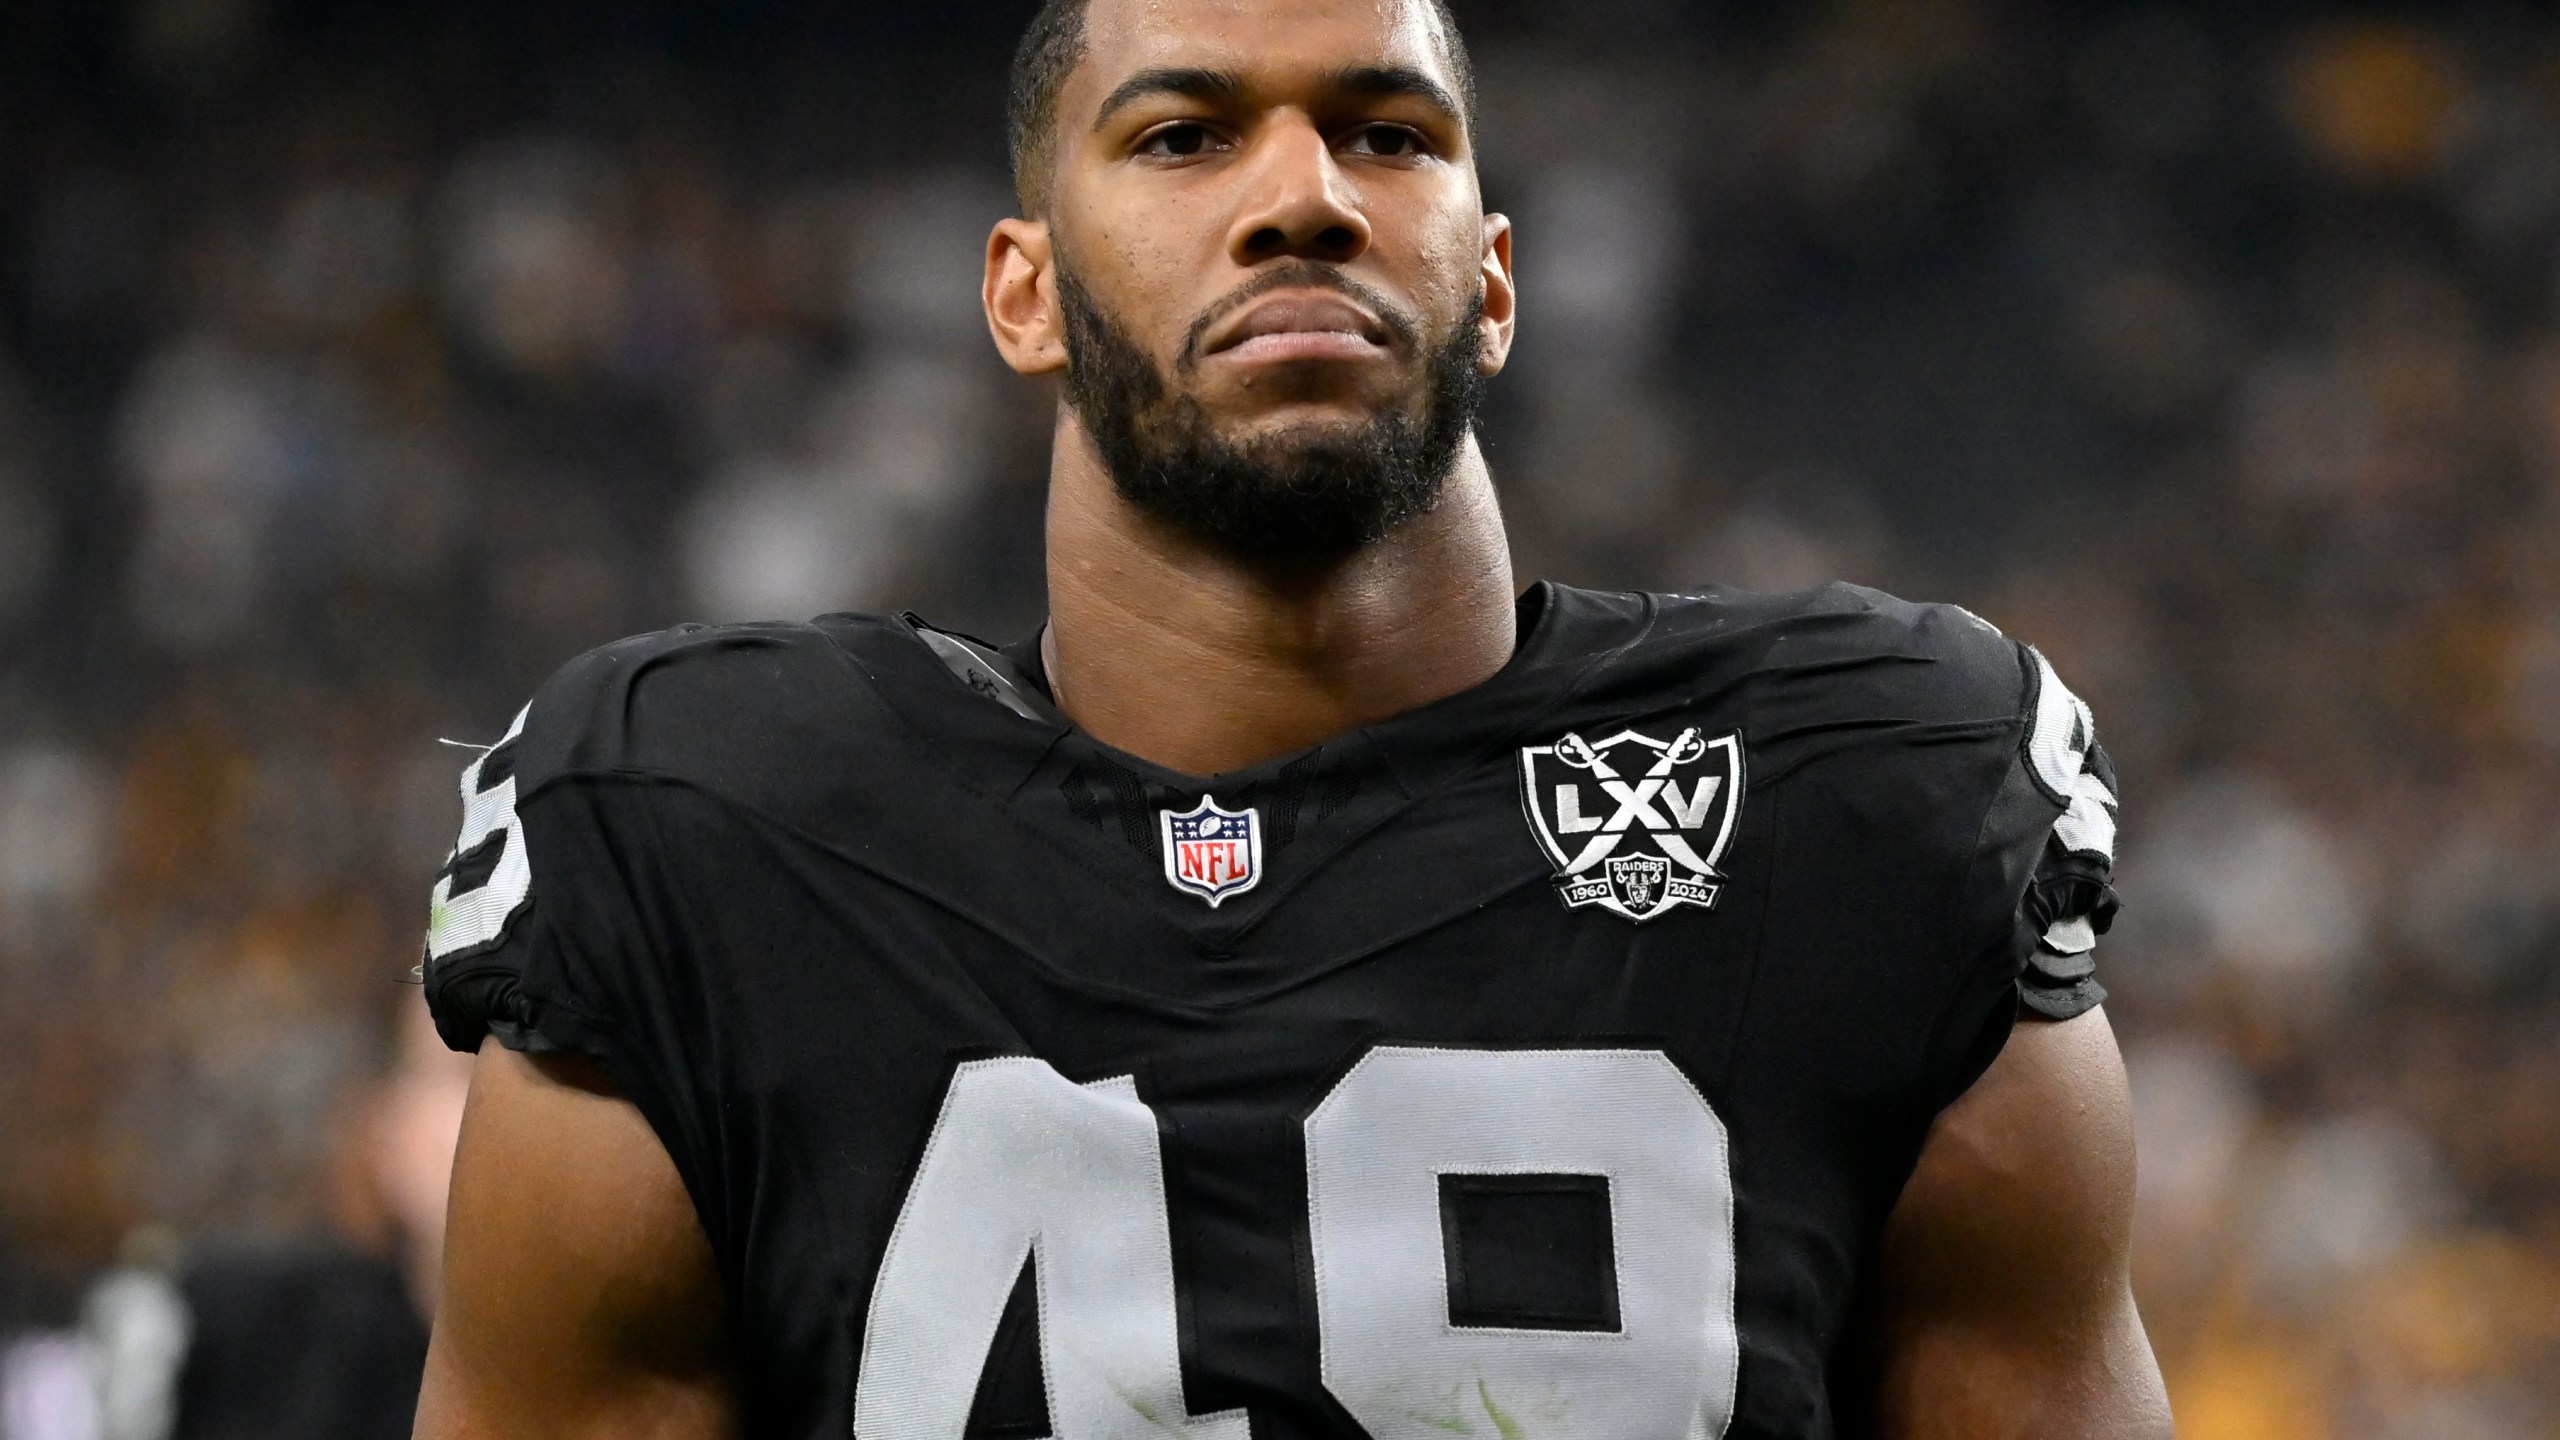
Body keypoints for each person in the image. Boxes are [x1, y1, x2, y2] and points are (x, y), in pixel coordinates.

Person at [413, 0, 2172, 1435]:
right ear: (1024, 292)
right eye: (1183, 134)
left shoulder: (1862, 793)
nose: (1304, 195)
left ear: (1491, 281)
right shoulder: (700, 835)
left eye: (1387, 132)